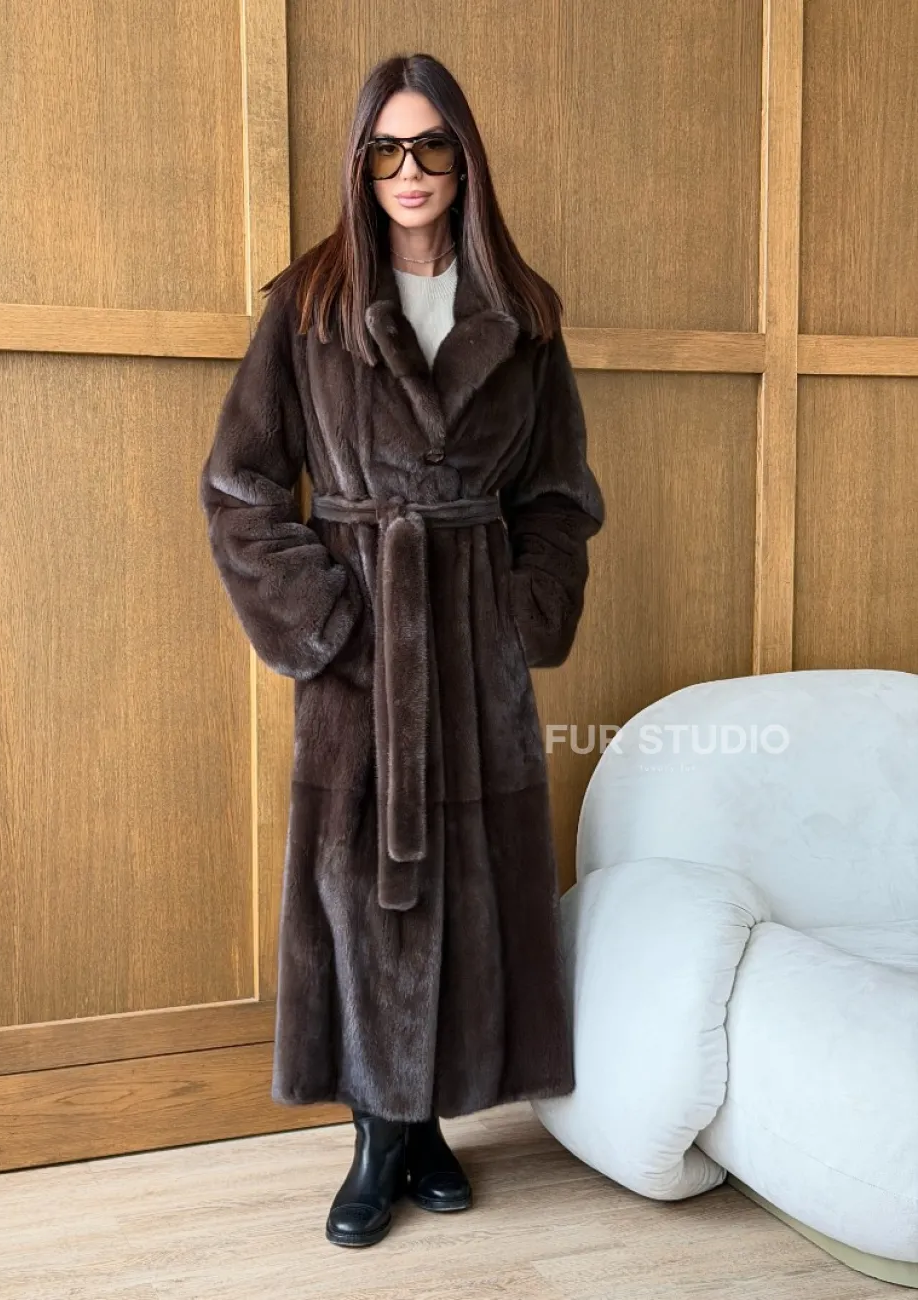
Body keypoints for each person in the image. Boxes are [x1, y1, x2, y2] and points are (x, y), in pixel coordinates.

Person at [198, 52, 605, 1249]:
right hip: (360, 655)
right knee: (361, 890)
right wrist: (321, 619)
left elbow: (557, 496)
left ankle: (427, 1123)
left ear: (463, 160)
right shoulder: (309, 305)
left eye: (431, 146)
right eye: (386, 149)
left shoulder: (523, 315)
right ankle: (377, 1132)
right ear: (360, 164)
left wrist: (523, 611)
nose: (408, 170)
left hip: (475, 649)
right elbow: (240, 486)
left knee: (471, 886)